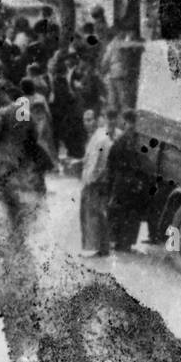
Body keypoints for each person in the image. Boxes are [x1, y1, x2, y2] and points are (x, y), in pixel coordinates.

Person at [0, 81, 57, 228]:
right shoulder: (26, 114)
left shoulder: (2, 112)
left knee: (6, 191)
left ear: (8, 96)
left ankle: (12, 221)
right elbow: (34, 135)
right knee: (23, 188)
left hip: (6, 158)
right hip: (23, 158)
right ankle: (24, 219)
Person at [106, 110, 151, 252]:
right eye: (128, 122)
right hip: (124, 180)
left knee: (130, 212)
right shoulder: (124, 141)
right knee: (122, 210)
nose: (130, 126)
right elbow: (112, 162)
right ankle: (120, 242)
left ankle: (125, 243)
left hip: (129, 180)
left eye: (132, 123)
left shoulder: (132, 141)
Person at [79, 109, 112, 256]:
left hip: (96, 182)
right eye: (85, 120)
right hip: (96, 180)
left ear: (97, 119)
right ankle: (101, 247)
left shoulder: (100, 138)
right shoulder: (94, 137)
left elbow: (97, 163)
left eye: (90, 119)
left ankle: (98, 247)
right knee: (97, 214)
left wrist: (89, 180)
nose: (87, 123)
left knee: (94, 214)